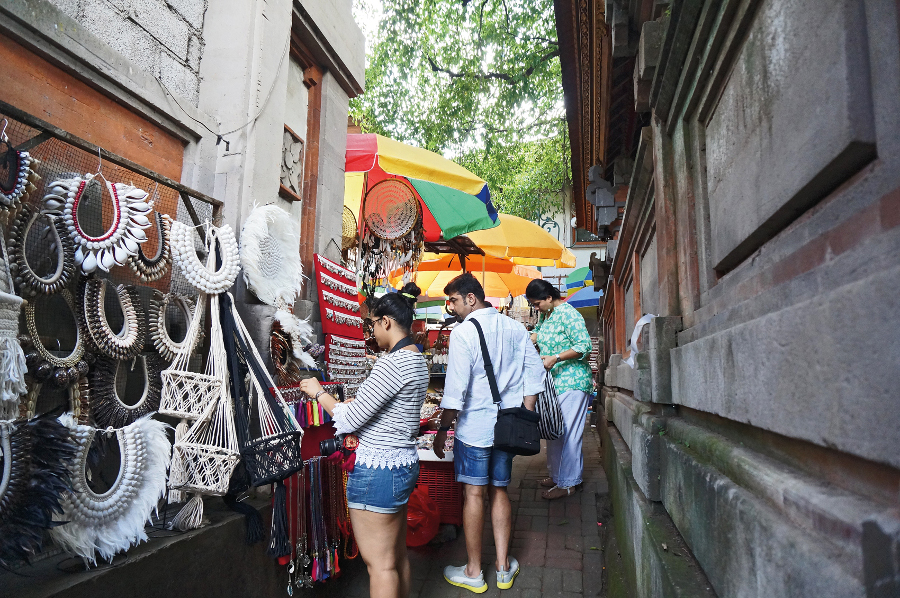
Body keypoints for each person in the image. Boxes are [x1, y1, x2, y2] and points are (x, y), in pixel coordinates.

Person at [298, 282, 428, 598]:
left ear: (386, 321)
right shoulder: (417, 359)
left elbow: (351, 419)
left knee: (379, 566)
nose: (371, 332)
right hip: (401, 466)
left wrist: (319, 393)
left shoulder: (392, 363)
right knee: (395, 558)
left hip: (378, 471)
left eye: (372, 324)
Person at [434, 273, 544, 593]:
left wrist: (443, 429)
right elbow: (533, 376)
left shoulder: (464, 332)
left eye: (453, 300)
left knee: (473, 495)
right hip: (507, 429)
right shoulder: (515, 328)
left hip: (474, 429)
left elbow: (455, 391)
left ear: (471, 298)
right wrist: (523, 412)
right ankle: (502, 567)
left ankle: (473, 571)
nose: (450, 306)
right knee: (499, 492)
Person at [525, 279, 594, 500]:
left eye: (537, 304)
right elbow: (536, 334)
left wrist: (556, 357)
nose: (536, 308)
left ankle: (569, 483)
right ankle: (557, 476)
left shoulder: (568, 314)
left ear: (548, 297)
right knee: (555, 431)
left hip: (573, 381)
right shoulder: (546, 315)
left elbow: (584, 346)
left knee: (569, 434)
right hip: (555, 383)